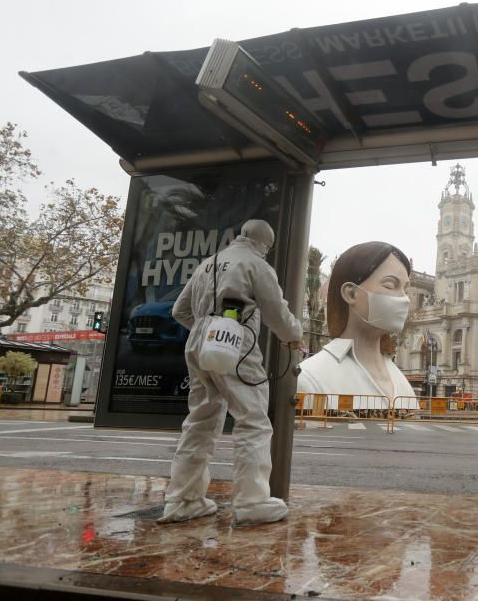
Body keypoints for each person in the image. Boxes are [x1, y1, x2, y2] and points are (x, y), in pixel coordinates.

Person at [159, 219, 304, 526]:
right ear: (264, 244)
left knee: (199, 420)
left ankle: (182, 500)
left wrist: (205, 329)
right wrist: (293, 336)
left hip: (198, 341)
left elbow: (178, 311)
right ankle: (252, 501)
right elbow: (277, 312)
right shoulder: (256, 264)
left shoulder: (207, 264)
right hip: (234, 341)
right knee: (252, 420)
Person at [297, 241, 418, 412]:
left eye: (405, 289)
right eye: (390, 285)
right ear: (351, 293)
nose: (405, 299)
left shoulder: (401, 382)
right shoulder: (309, 379)